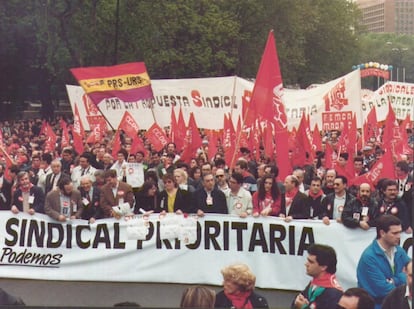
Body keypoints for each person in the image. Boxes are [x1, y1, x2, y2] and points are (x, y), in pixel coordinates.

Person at [357, 215, 411, 309]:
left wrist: (394, 280)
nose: (399, 236)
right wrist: (403, 277)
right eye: (394, 233)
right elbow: (382, 290)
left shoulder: (399, 251)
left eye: (400, 232)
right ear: (382, 233)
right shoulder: (369, 257)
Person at [292, 244, 343, 309]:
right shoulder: (313, 284)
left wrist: (303, 307)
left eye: (311, 262)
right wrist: (296, 304)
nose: (306, 264)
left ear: (323, 267)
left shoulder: (334, 294)